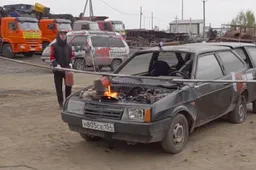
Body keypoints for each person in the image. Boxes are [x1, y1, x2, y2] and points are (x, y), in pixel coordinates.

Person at [50, 30, 74, 109]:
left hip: (67, 70)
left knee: (68, 87)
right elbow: (52, 57)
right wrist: (56, 64)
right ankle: (61, 103)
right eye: (61, 34)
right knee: (59, 88)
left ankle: (67, 102)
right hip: (58, 70)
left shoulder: (68, 46)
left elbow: (71, 56)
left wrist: (71, 63)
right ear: (59, 35)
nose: (63, 36)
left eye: (64, 35)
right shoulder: (54, 46)